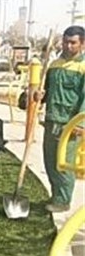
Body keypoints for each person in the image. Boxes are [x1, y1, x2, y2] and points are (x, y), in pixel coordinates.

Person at [39, 25, 85, 212]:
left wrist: (80, 124)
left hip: (70, 123)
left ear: (82, 44)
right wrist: (37, 95)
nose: (68, 46)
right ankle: (56, 195)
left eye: (73, 43)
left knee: (63, 163)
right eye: (65, 42)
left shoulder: (83, 67)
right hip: (51, 119)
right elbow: (45, 91)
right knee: (50, 161)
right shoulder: (54, 64)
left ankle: (63, 201)